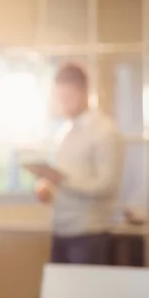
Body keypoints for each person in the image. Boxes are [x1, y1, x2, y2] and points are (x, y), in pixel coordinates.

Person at [35, 63, 124, 265]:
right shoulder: (63, 131)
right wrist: (47, 187)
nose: (63, 104)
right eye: (60, 98)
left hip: (89, 233)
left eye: (68, 98)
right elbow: (60, 180)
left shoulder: (104, 131)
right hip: (60, 228)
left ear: (84, 92)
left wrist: (63, 181)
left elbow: (107, 186)